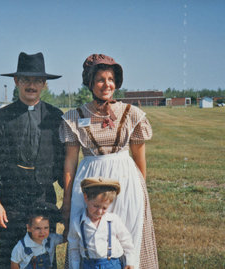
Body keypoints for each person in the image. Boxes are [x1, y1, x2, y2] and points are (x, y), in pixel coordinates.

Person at [60, 54, 158, 268]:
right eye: (101, 79)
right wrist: (67, 201)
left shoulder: (132, 114)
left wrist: (139, 192)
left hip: (126, 185)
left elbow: (140, 162)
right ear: (90, 83)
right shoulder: (74, 117)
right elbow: (70, 163)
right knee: (87, 238)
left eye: (111, 79)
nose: (107, 84)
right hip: (88, 184)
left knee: (128, 238)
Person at [0, 52, 65, 269]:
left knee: (44, 260)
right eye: (26, 80)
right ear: (16, 81)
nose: (32, 85)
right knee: (11, 259)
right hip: (11, 203)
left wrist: (68, 202)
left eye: (37, 80)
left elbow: (64, 165)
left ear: (44, 84)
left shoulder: (55, 117)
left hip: (44, 201)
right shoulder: (1, 117)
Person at [68, 177, 135, 269]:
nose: (99, 212)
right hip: (89, 265)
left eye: (104, 208)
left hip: (112, 264)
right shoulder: (77, 222)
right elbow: (73, 248)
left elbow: (126, 241)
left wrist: (130, 262)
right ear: (86, 198)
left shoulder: (113, 220)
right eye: (96, 206)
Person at [11, 205, 66, 269]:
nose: (42, 232)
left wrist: (65, 221)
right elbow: (14, 265)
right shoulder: (21, 247)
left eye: (46, 228)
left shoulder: (51, 239)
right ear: (29, 228)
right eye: (38, 228)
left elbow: (67, 237)